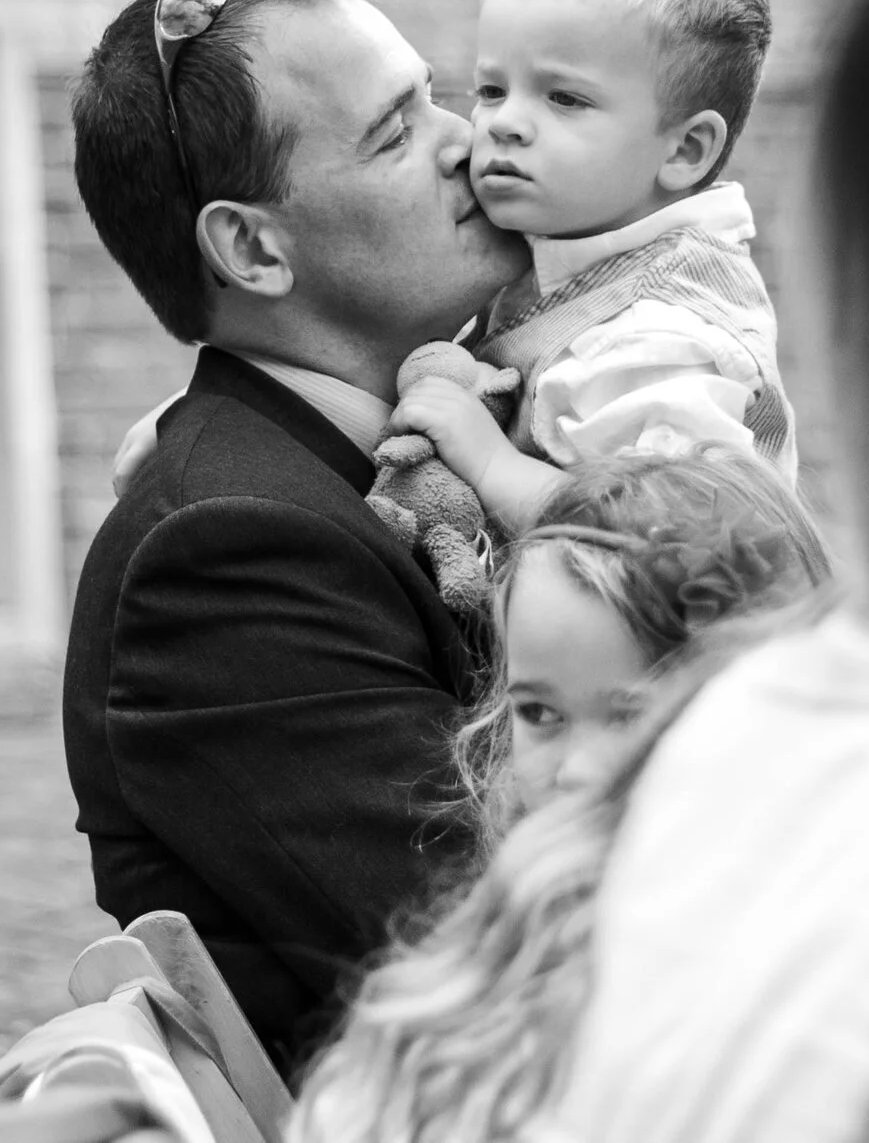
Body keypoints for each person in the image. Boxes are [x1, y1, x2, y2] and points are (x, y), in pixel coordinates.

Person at [62, 0, 527, 1075]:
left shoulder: (417, 444)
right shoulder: (224, 547)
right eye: (396, 132)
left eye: (438, 96)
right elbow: (492, 949)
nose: (469, 139)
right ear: (255, 249)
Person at [530, 0, 869, 1143]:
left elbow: (669, 521)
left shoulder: (721, 781)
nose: (491, 131)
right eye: (486, 89)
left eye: (558, 97)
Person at [291, 446, 833, 1143]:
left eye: (632, 715)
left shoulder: (821, 996)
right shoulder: (484, 964)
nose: (577, 771)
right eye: (540, 714)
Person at [388, 0, 797, 547]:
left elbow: (669, 544)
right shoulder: (562, 243)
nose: (503, 123)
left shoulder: (658, 334)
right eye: (492, 90)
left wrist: (494, 464)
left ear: (685, 150)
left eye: (565, 99)